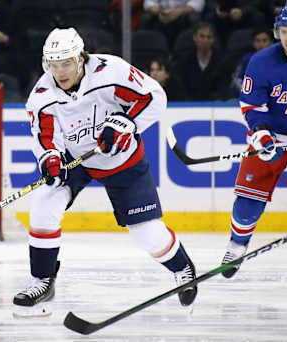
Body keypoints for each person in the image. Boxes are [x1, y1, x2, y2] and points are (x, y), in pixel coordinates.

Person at [13, 27, 198, 316]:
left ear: (80, 59)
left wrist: (126, 123)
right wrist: (50, 159)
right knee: (43, 205)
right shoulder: (42, 94)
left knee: (147, 234)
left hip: (122, 161)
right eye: (54, 64)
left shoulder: (110, 71)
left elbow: (154, 97)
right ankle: (43, 279)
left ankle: (182, 269)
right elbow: (44, 136)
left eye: (66, 64)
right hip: (78, 160)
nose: (60, 72)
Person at [220, 7, 287, 278]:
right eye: (284, 32)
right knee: (248, 199)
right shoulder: (262, 62)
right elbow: (252, 104)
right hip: (273, 137)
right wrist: (261, 134)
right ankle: (237, 244)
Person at [174, 22, 226, 101]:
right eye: (202, 36)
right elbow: (181, 88)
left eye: (209, 37)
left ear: (213, 40)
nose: (205, 40)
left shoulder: (221, 61)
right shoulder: (185, 61)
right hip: (189, 105)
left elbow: (222, 88)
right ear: (195, 37)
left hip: (214, 106)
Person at [229, 28, 274, 98]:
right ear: (253, 43)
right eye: (258, 41)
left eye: (264, 41)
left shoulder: (279, 60)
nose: (261, 44)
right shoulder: (246, 60)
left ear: (271, 43)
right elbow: (237, 80)